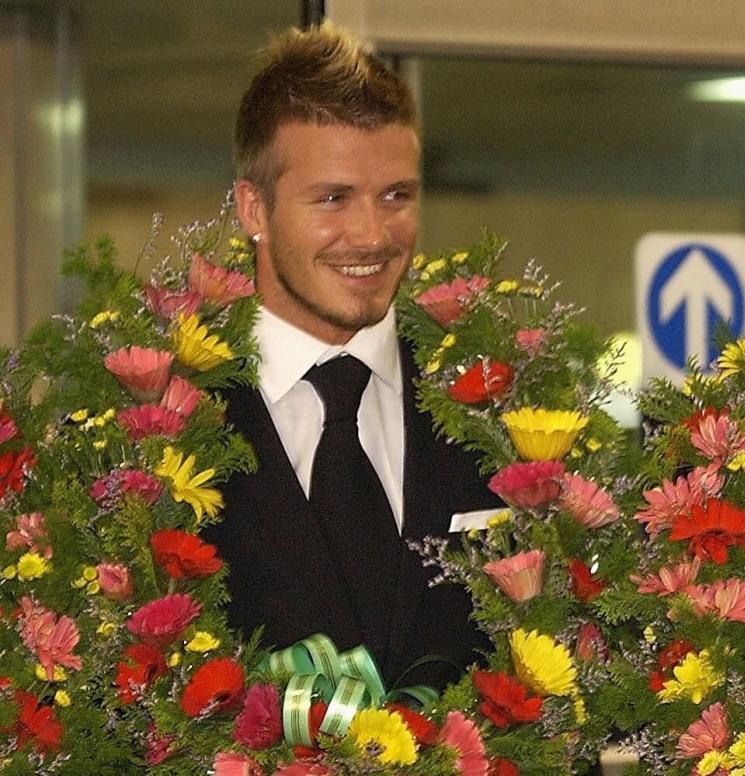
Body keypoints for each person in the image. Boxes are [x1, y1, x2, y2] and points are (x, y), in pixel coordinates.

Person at [201, 25, 493, 689]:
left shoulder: (503, 413)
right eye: (333, 198)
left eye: (396, 195)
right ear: (254, 209)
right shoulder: (145, 442)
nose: (371, 235)